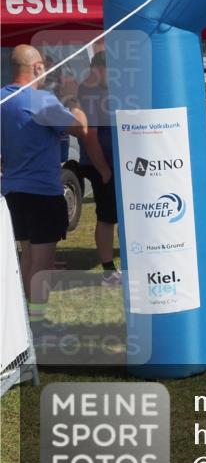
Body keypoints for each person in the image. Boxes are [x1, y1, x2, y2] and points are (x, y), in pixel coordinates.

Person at [1, 45, 105, 335]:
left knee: (27, 255)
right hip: (42, 191)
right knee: (43, 261)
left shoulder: (3, 98)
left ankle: (25, 320)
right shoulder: (39, 101)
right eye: (43, 68)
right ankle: (37, 325)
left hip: (12, 189)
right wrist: (72, 98)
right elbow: (81, 127)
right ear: (36, 68)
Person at [76, 51, 122, 287]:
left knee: (115, 215)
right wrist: (104, 170)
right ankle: (108, 271)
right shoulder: (90, 93)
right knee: (107, 216)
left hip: (113, 162)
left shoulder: (101, 91)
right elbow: (89, 135)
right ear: (99, 69)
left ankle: (115, 267)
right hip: (102, 164)